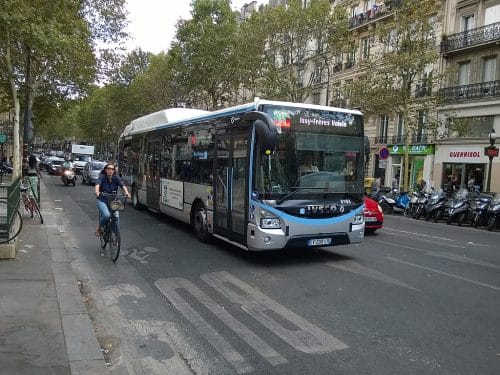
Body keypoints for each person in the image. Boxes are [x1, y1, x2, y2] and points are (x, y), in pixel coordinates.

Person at [94, 163, 131, 236]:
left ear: (114, 171)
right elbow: (97, 185)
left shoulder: (116, 178)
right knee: (107, 215)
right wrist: (97, 191)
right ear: (105, 170)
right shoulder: (102, 177)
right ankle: (99, 227)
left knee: (116, 217)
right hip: (102, 200)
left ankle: (116, 237)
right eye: (108, 169)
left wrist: (127, 192)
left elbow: (122, 185)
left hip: (114, 200)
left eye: (112, 169)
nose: (110, 170)